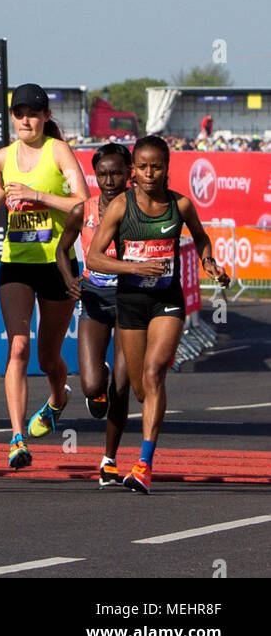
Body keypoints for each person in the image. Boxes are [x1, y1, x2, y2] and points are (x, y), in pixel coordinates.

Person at [85, 136, 229, 494]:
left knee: (154, 373)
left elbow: (201, 238)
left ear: (167, 168)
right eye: (144, 167)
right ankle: (136, 455)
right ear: (134, 169)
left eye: (157, 167)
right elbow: (93, 258)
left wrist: (209, 263)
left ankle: (144, 464)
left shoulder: (180, 204)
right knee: (139, 389)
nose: (150, 174)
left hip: (167, 301)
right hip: (131, 302)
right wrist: (133, 266)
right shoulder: (120, 206)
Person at [0, 84, 88, 470]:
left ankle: (57, 398)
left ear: (46, 116)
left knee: (48, 358)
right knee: (17, 347)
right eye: (19, 113)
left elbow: (82, 202)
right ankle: (16, 438)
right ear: (11, 116)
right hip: (15, 262)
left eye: (33, 113)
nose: (25, 120)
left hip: (56, 263)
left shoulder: (57, 151)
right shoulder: (3, 156)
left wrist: (39, 196)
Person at [56, 142, 132, 486]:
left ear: (129, 173)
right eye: (103, 173)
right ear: (95, 175)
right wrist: (70, 278)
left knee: (122, 384)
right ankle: (96, 381)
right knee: (92, 385)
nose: (110, 179)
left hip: (132, 300)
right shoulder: (82, 210)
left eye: (117, 172)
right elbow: (62, 249)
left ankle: (109, 459)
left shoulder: (138, 210)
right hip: (95, 297)